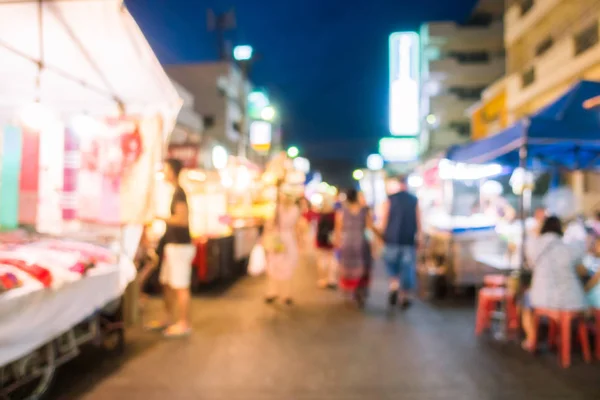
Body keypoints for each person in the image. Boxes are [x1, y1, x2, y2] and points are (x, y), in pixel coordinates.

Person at [521, 216, 588, 350]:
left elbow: (529, 262)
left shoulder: (534, 245)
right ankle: (562, 337)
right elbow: (582, 268)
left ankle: (531, 338)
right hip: (571, 300)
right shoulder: (568, 247)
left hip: (541, 299)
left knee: (525, 301)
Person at [148, 158, 195, 338]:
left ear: (173, 171)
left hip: (180, 246)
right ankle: (168, 317)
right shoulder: (175, 192)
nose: (164, 173)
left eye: (166, 169)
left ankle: (184, 323)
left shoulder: (179, 193)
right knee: (167, 283)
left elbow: (182, 220)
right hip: (172, 245)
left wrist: (159, 217)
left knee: (180, 285)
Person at [380, 175, 421, 309]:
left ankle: (394, 286)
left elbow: (384, 220)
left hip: (391, 239)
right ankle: (404, 297)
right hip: (408, 240)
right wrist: (419, 237)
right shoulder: (414, 200)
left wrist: (382, 236)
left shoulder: (390, 199)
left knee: (392, 266)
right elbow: (419, 220)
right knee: (407, 269)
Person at [334, 188, 374, 307]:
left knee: (348, 268)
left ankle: (351, 290)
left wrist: (338, 243)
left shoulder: (342, 211)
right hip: (361, 242)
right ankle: (360, 290)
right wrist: (373, 244)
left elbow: (338, 229)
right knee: (363, 267)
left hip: (347, 243)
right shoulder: (364, 211)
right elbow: (369, 228)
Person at [265, 190, 302, 305]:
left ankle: (279, 293)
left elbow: (270, 224)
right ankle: (280, 293)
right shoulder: (292, 209)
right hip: (285, 239)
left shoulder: (281, 209)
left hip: (281, 238)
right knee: (277, 266)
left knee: (279, 266)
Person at [315, 198, 337, 289]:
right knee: (331, 258)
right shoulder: (334, 214)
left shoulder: (320, 214)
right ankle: (331, 278)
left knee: (322, 259)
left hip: (322, 239)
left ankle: (324, 278)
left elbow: (318, 228)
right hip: (331, 238)